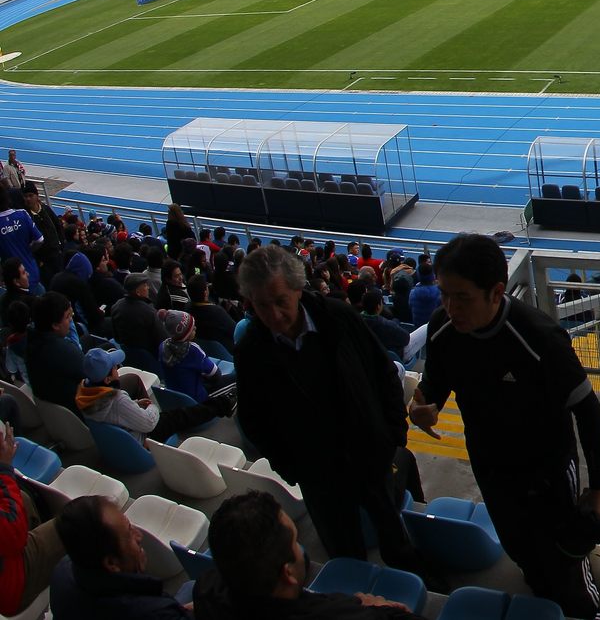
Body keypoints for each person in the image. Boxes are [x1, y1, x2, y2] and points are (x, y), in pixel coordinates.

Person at [408, 234, 600, 620]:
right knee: (519, 546)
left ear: (496, 291)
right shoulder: (442, 328)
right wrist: (425, 407)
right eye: (444, 294)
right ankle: (539, 587)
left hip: (548, 469)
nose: (450, 307)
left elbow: (586, 409)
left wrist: (599, 486)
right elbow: (435, 382)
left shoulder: (538, 338)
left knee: (564, 555)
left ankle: (586, 610)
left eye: (462, 297)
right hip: (490, 465)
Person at [233, 245, 426, 577]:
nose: (275, 315)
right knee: (343, 551)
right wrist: (291, 467)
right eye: (263, 306)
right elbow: (253, 420)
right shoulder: (251, 350)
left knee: (392, 530)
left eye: (281, 301)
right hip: (318, 474)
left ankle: (411, 573)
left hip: (370, 453)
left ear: (297, 288)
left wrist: (393, 433)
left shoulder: (339, 317)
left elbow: (384, 373)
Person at [195, 491, 424, 620]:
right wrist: (380, 609)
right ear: (288, 573)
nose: (301, 547)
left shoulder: (206, 592)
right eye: (295, 541)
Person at [50, 494, 189, 619]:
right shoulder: (155, 612)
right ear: (111, 563)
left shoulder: (62, 571)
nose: (139, 536)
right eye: (129, 533)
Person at [76, 347, 234, 440]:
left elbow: (114, 414)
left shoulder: (84, 391)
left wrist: (135, 405)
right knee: (182, 415)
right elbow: (148, 423)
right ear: (108, 379)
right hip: (141, 434)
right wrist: (151, 406)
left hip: (124, 425)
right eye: (114, 367)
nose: (117, 368)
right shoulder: (117, 400)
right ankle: (223, 405)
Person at [0, 420, 65, 616]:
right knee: (81, 518)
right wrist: (3, 468)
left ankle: (50, 555)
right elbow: (11, 535)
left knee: (25, 499)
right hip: (11, 585)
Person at [24, 292, 84, 409]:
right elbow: (92, 375)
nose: (71, 320)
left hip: (54, 412)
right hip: (78, 412)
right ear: (55, 325)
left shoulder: (30, 343)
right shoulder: (65, 351)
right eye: (68, 317)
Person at [157, 310, 228, 404]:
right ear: (185, 334)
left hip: (176, 400)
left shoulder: (162, 346)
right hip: (198, 401)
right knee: (234, 378)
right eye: (192, 329)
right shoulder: (193, 350)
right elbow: (216, 375)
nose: (195, 327)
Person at [108, 274, 162, 359]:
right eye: (145, 286)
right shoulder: (148, 312)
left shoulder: (116, 307)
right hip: (149, 357)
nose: (148, 288)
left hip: (126, 355)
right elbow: (161, 339)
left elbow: (117, 337)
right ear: (138, 292)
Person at [359, 289, 412, 359]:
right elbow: (406, 339)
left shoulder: (357, 321)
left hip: (369, 358)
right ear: (378, 306)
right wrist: (395, 323)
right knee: (423, 329)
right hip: (392, 357)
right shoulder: (386, 324)